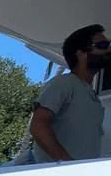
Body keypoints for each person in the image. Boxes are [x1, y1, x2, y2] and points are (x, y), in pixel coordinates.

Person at [17, 24, 109, 164]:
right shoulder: (63, 84)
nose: (108, 49)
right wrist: (67, 165)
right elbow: (38, 125)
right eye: (102, 45)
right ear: (81, 53)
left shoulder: (90, 94)